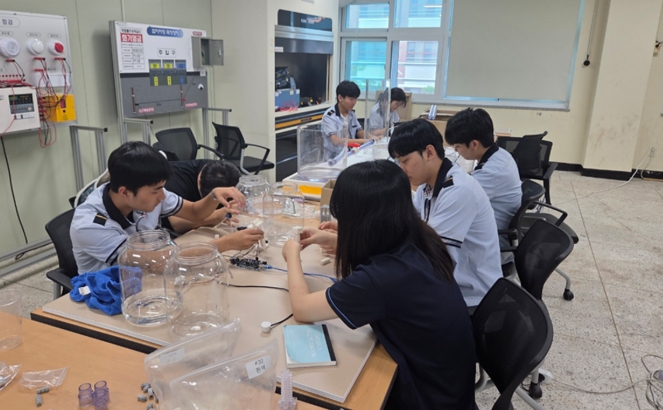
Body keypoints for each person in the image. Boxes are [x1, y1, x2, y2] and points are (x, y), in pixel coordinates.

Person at [281, 160, 476, 410]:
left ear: (363, 222)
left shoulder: (382, 278)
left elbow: (302, 308)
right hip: (447, 387)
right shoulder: (420, 236)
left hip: (426, 399)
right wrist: (341, 240)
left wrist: (292, 255)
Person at [71, 142, 262, 274]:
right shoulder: (89, 224)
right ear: (125, 192)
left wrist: (213, 196)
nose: (162, 196)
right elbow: (155, 261)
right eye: (156, 191)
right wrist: (225, 244)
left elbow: (194, 213)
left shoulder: (147, 194)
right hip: (108, 294)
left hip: (148, 278)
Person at [388, 119, 501, 309]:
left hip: (472, 298)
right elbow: (407, 224)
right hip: (448, 282)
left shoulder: (459, 191)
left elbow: (427, 254)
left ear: (429, 152)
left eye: (405, 161)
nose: (402, 169)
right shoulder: (427, 186)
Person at [444, 108, 522, 236]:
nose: (456, 151)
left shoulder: (491, 172)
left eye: (457, 146)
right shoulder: (501, 154)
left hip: (493, 236)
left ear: (474, 144)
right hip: (493, 223)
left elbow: (454, 202)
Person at [162, 159, 242, 233]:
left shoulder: (222, 170)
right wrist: (217, 216)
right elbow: (177, 223)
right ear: (199, 181)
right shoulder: (173, 181)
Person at [321, 81, 378, 160]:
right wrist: (366, 140)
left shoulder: (351, 113)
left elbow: (360, 131)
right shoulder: (330, 116)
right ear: (340, 98)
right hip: (335, 158)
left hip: (351, 154)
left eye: (355, 99)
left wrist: (373, 138)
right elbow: (336, 141)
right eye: (351, 99)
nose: (354, 102)